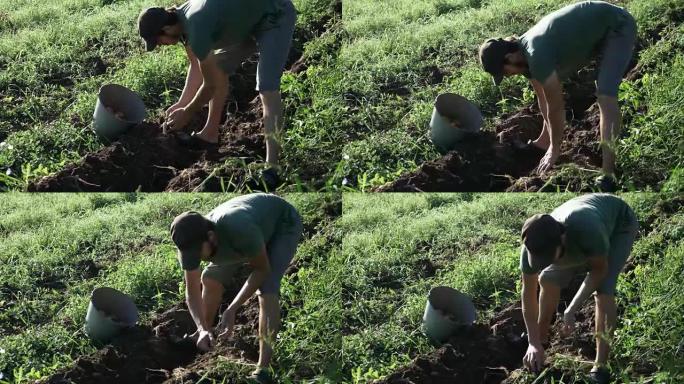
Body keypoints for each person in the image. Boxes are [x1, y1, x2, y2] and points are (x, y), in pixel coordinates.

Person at [478, 1, 637, 191]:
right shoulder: (524, 58)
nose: (507, 76)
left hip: (618, 27)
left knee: (605, 95)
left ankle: (608, 175)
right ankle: (545, 141)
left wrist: (555, 148)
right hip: (597, 34)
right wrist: (546, 141)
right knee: (596, 95)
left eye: (504, 71)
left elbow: (556, 106)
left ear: (509, 57)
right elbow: (543, 100)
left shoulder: (536, 54)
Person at [138, 0, 297, 186]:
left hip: (274, 16)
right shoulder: (181, 21)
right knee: (218, 68)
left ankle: (273, 168)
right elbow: (197, 66)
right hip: (248, 21)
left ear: (166, 28)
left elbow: (210, 85)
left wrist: (187, 113)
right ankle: (209, 134)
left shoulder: (195, 26)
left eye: (157, 41)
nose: (160, 45)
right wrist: (182, 103)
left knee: (267, 89)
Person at [170, 193, 303, 383]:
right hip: (244, 237)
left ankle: (262, 371)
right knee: (210, 278)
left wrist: (232, 309)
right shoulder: (190, 243)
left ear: (211, 237)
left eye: (198, 252)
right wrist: (201, 328)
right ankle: (207, 334)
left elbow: (261, 269)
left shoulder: (237, 227)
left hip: (281, 224)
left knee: (267, 287)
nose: (195, 258)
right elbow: (192, 291)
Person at [518, 193, 638, 384]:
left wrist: (571, 310)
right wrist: (533, 342)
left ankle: (600, 367)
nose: (543, 261)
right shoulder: (532, 245)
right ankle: (541, 338)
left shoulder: (586, 227)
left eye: (548, 256)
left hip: (617, 226)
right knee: (547, 278)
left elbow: (599, 271)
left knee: (604, 291)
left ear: (562, 239)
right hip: (578, 242)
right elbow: (528, 295)